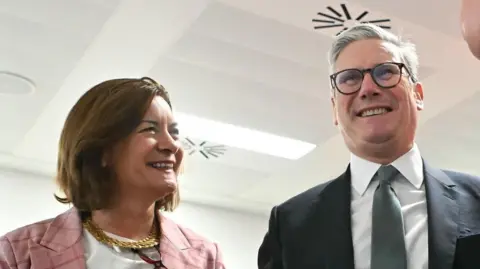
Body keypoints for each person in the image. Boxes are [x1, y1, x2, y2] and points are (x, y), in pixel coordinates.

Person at [257, 24, 480, 269]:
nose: (368, 89)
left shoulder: (477, 199)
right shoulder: (290, 224)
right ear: (334, 109)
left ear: (417, 94)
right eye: (350, 78)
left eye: (385, 72)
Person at [0, 77, 225, 269]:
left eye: (174, 133)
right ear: (102, 151)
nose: (172, 145)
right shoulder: (18, 254)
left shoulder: (206, 258)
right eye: (150, 129)